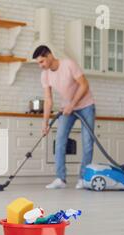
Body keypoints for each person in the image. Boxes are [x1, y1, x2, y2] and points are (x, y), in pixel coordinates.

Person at [33, 45, 96, 189]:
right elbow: (48, 99)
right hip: (66, 109)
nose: (40, 65)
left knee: (87, 143)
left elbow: (84, 85)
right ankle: (60, 179)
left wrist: (72, 104)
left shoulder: (68, 65)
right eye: (38, 63)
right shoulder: (45, 75)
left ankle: (83, 178)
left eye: (41, 61)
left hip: (85, 106)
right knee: (60, 140)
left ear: (49, 56)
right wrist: (45, 123)